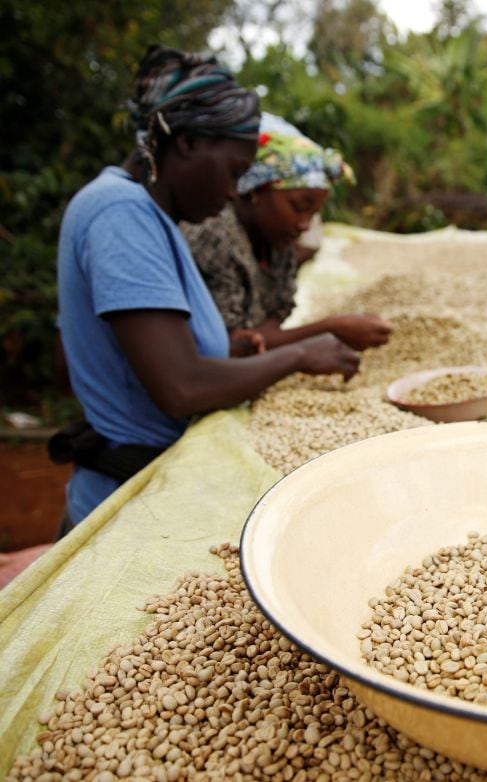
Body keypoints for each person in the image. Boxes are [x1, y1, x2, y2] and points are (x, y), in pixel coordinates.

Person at [53, 45, 360, 530]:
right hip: (122, 503)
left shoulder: (152, 218)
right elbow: (181, 387)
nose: (232, 192)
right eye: (235, 172)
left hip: (151, 485)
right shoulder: (120, 213)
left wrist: (229, 348)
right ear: (189, 142)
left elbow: (156, 353)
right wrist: (298, 355)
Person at [182, 113, 392, 356]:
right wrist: (330, 329)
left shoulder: (276, 241)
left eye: (314, 213)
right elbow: (228, 347)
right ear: (257, 190)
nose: (305, 224)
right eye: (299, 207)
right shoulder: (214, 235)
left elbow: (268, 326)